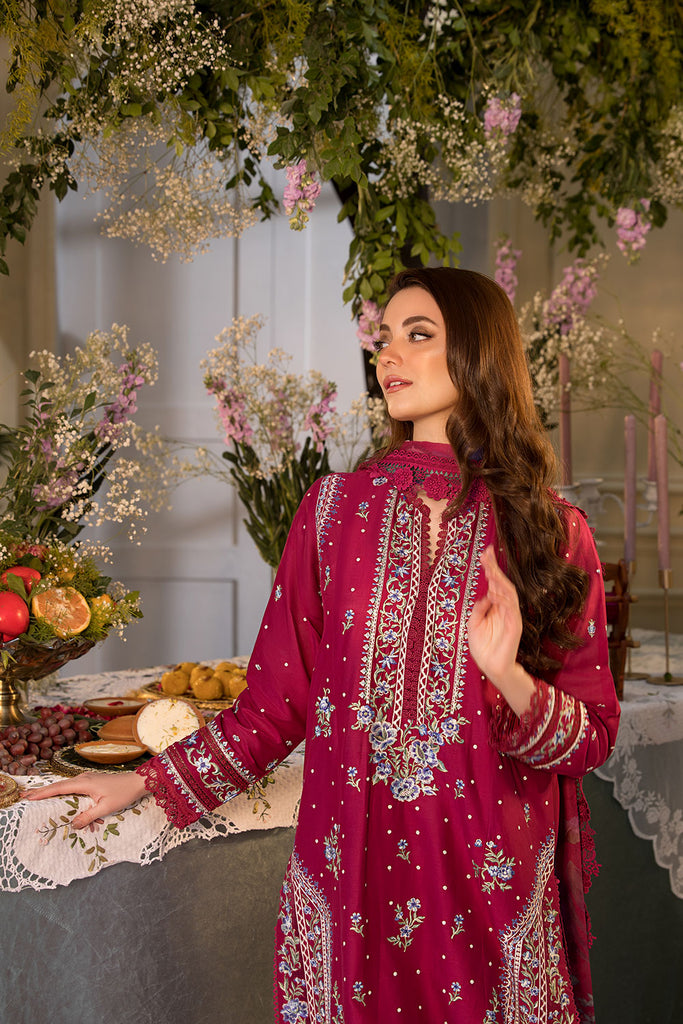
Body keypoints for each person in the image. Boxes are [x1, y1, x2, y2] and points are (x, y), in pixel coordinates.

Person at [29, 267, 620, 1024]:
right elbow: (273, 708)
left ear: (478, 352)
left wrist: (507, 676)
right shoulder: (334, 511)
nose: (387, 356)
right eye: (384, 338)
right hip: (353, 888)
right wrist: (145, 782)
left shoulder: (550, 531)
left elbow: (591, 737)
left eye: (418, 334)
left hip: (490, 891)